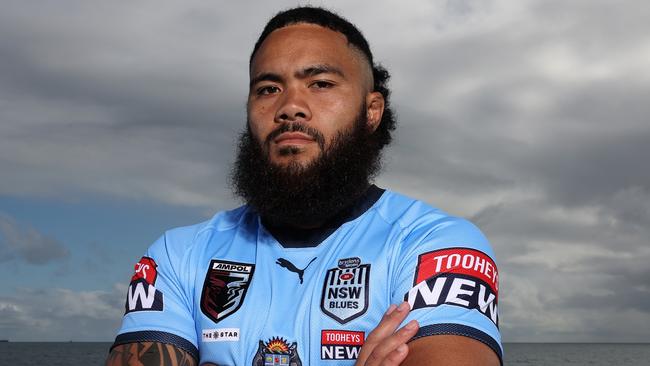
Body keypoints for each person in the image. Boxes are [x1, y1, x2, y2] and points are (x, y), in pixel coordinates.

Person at [106, 6, 502, 366]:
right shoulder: (177, 256)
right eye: (268, 88)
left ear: (371, 111)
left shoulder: (435, 243)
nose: (289, 107)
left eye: (321, 84)